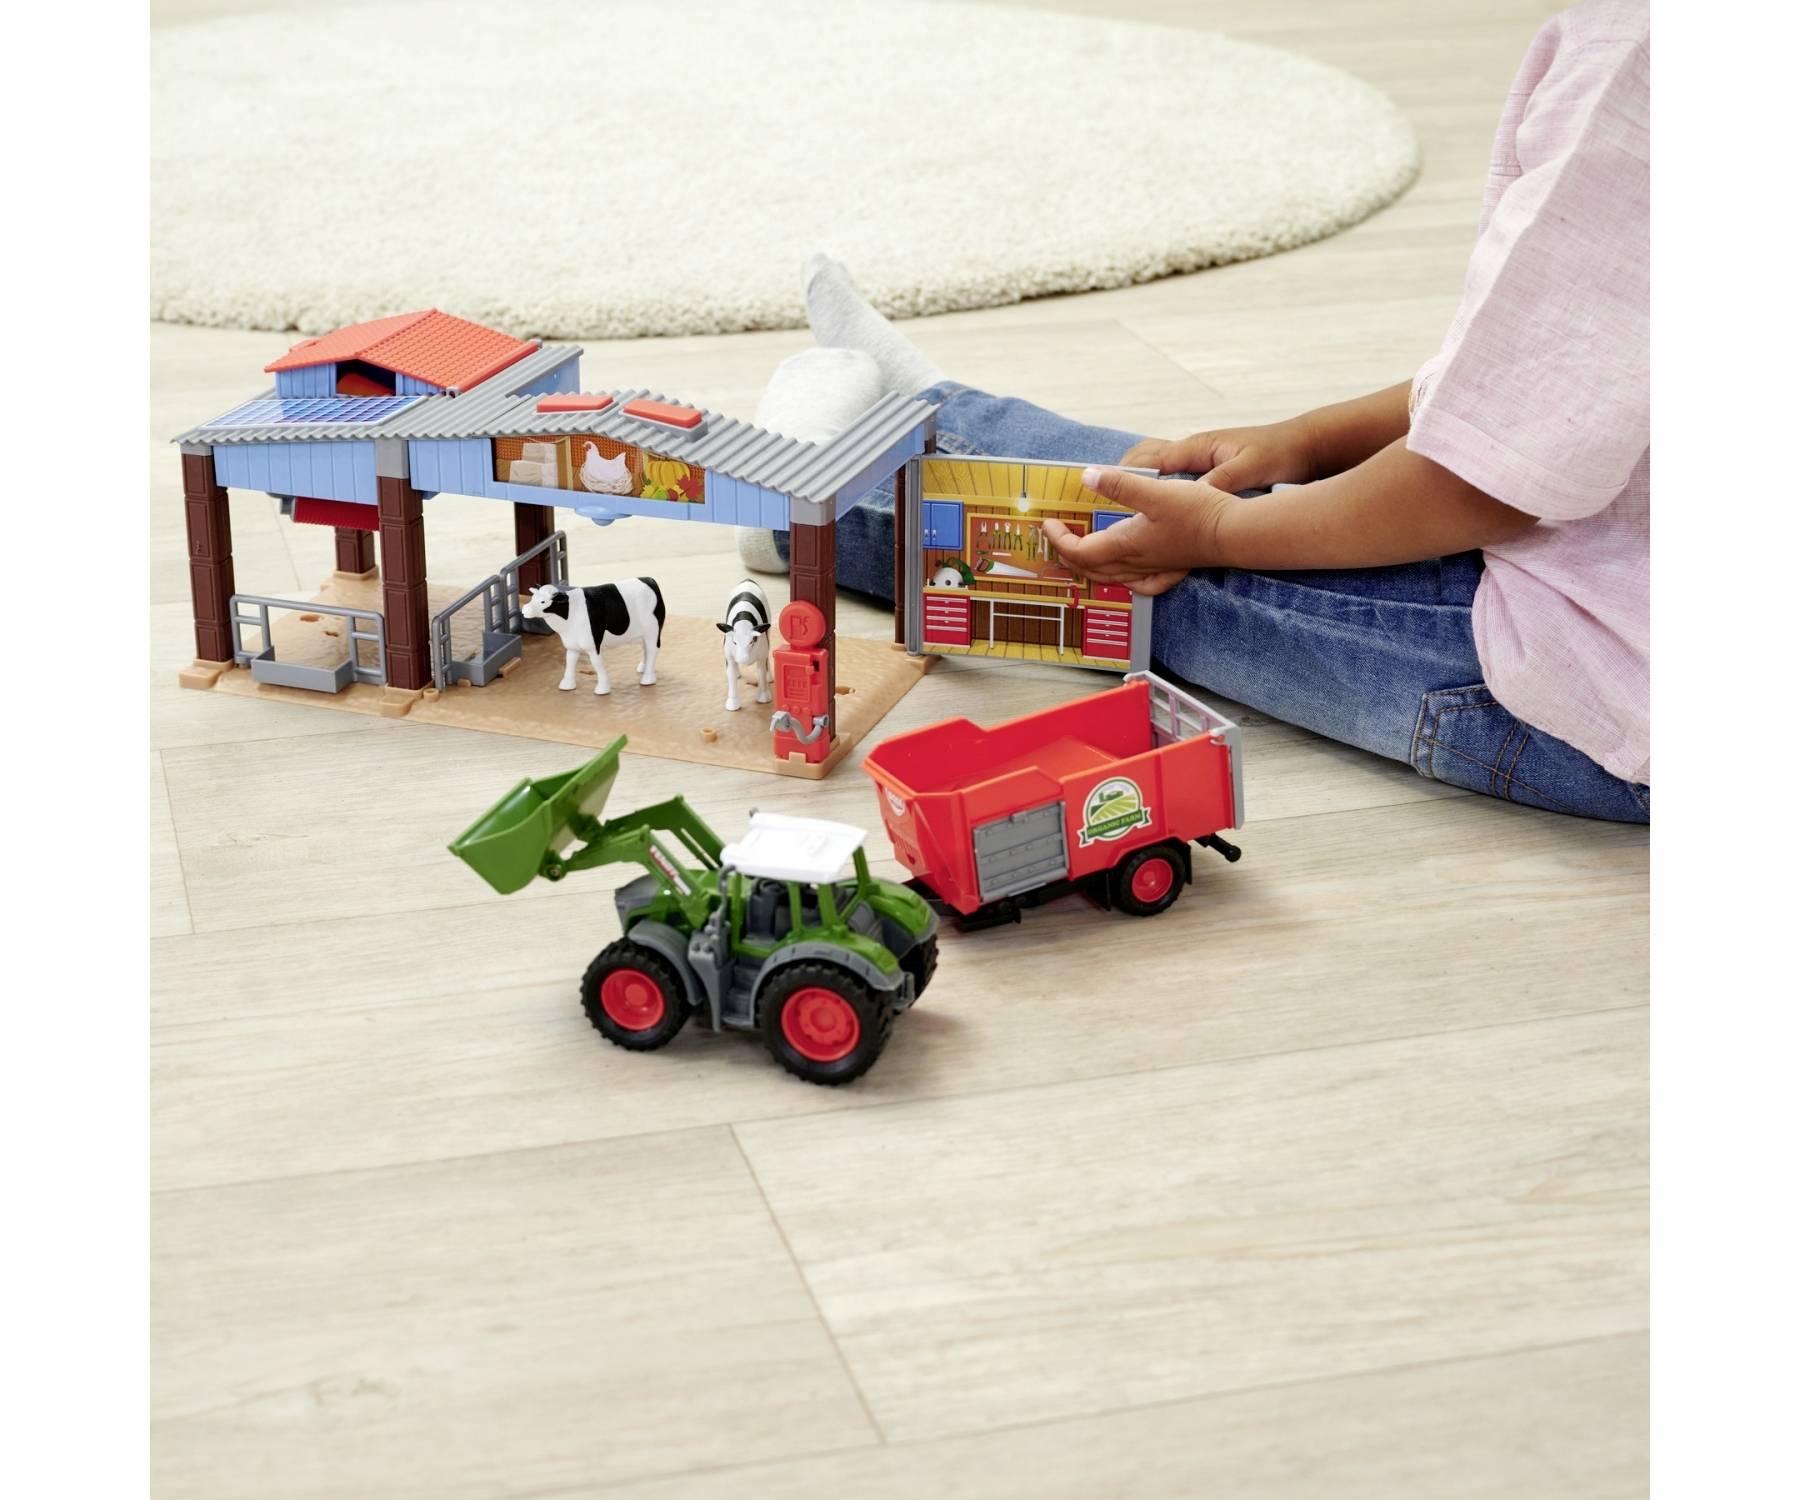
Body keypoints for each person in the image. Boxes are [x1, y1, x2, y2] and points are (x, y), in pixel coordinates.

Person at [746, 0, 1648, 823]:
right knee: (1190, 499)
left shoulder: (1638, 68)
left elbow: (1480, 477)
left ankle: (815, 496)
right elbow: (1551, 383)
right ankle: (925, 417)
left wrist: (1220, 533)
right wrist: (1312, 440)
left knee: (1146, 547)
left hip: (1607, 685)